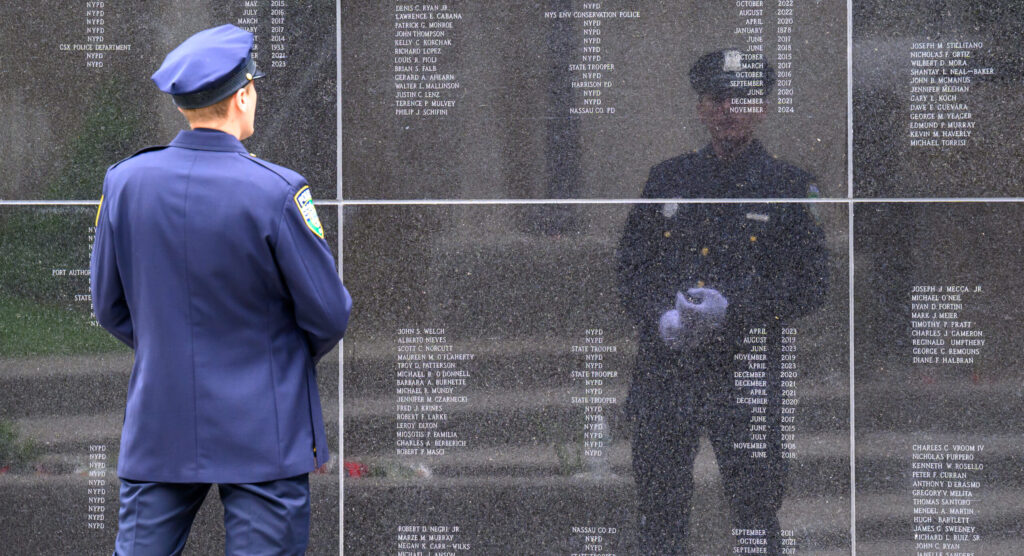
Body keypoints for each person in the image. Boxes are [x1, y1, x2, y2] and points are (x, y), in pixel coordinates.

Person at [90, 24, 352, 555]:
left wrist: (169, 348)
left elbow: (109, 306)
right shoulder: (276, 191)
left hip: (160, 424)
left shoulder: (124, 182)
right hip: (265, 430)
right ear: (242, 94)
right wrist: (273, 363)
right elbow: (327, 313)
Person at [616, 49, 829, 555]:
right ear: (701, 108)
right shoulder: (666, 179)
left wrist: (734, 309)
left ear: (763, 109)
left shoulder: (789, 185)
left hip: (747, 367)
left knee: (755, 512)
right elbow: (632, 268)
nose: (730, 108)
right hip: (667, 371)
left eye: (744, 98)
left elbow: (810, 284)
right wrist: (661, 315)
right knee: (659, 514)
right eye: (718, 98)